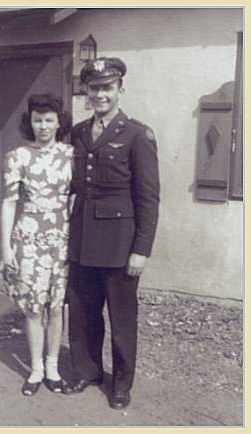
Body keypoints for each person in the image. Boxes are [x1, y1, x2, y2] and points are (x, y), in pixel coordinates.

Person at [66, 57, 160, 409]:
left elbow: (148, 197)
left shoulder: (137, 134)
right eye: (94, 88)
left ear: (121, 89)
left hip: (120, 244)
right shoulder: (76, 133)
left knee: (121, 318)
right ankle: (88, 371)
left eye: (107, 87)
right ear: (86, 92)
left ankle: (121, 383)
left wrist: (142, 249)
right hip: (81, 239)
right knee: (82, 312)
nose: (100, 94)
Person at [1, 93, 73, 396]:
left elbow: (74, 197)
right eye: (37, 120)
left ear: (58, 122)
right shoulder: (17, 157)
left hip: (62, 240)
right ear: (29, 122)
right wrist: (6, 248)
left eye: (48, 120)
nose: (43, 126)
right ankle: (35, 369)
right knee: (33, 308)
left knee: (56, 308)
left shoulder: (71, 155)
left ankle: (53, 367)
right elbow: (8, 204)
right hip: (28, 240)